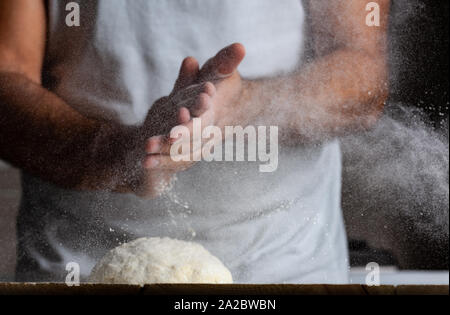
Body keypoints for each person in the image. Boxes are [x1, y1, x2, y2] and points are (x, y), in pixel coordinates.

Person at [0, 0, 389, 283]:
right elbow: (7, 79)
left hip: (283, 266)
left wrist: (244, 106)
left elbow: (363, 72)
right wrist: (116, 154)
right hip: (80, 269)